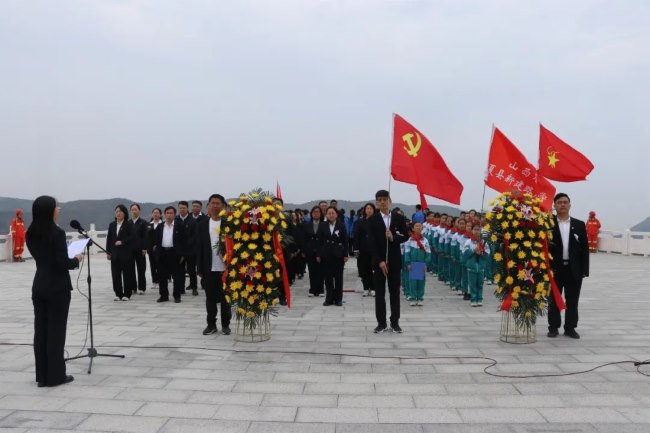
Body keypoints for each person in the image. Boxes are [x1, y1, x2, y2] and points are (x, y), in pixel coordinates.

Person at [26, 195, 82, 387]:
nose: (58, 210)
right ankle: (56, 376)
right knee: (56, 332)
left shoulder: (30, 233)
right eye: (57, 207)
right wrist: (76, 260)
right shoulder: (56, 233)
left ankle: (42, 375)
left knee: (41, 332)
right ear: (49, 210)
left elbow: (45, 258)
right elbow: (61, 263)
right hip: (57, 288)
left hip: (39, 285)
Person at [548, 193, 589, 339]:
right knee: (554, 300)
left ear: (570, 205)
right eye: (559, 202)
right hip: (555, 269)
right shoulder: (548, 223)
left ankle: (570, 328)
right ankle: (553, 327)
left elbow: (584, 249)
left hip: (574, 270)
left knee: (572, 300)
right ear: (554, 206)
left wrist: (584, 270)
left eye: (565, 202)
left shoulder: (579, 224)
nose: (562, 205)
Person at [366, 190, 408, 333]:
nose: (382, 202)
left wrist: (393, 238)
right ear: (377, 202)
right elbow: (371, 243)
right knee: (380, 294)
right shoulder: (372, 220)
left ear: (390, 201)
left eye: (385, 199)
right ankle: (381, 323)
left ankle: (395, 322)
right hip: (379, 263)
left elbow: (405, 236)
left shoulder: (399, 218)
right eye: (379, 199)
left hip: (395, 261)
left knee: (394, 293)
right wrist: (380, 261)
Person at [196, 194, 231, 335]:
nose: (215, 205)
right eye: (212, 203)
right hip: (209, 268)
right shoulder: (202, 224)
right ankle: (211, 324)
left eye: (218, 203)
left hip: (225, 268)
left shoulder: (229, 223)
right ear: (209, 205)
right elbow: (199, 248)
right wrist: (199, 268)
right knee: (209, 299)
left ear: (223, 205)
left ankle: (225, 325)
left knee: (226, 299)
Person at [318, 206, 349, 306]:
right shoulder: (322, 225)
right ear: (326, 215)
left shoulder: (341, 225)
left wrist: (346, 254)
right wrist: (318, 254)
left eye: (333, 213)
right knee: (328, 278)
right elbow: (320, 241)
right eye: (329, 213)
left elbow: (345, 241)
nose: (331, 215)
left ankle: (338, 299)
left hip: (338, 255)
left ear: (336, 214)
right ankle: (329, 299)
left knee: (338, 278)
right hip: (326, 255)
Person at [156, 206, 187, 303]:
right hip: (162, 253)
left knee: (177, 276)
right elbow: (156, 240)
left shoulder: (179, 226)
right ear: (164, 214)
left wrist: (183, 254)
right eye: (167, 213)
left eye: (171, 213)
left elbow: (184, 242)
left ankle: (177, 296)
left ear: (174, 214)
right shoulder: (160, 226)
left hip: (175, 253)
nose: (169, 215)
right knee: (162, 276)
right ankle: (164, 295)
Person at [106, 204, 136, 301]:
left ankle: (127, 294)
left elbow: (132, 238)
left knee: (127, 275)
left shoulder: (128, 224)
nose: (118, 213)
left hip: (126, 254)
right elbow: (109, 239)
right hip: (114, 254)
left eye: (120, 211)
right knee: (115, 275)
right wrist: (108, 252)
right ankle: (118, 294)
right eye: (116, 211)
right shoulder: (112, 225)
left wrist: (122, 242)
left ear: (124, 213)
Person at [462, 224, 490, 307]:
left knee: (480, 283)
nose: (476, 231)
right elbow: (465, 253)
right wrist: (474, 250)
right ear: (472, 230)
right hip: (471, 266)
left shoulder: (483, 242)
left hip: (481, 266)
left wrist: (481, 253)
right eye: (475, 229)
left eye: (478, 230)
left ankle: (479, 299)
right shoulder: (468, 241)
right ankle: (473, 299)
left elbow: (488, 253)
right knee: (472, 284)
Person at [403, 222, 431, 306]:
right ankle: (412, 297)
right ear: (413, 228)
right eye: (416, 226)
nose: (418, 227)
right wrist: (408, 263)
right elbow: (407, 252)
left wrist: (426, 263)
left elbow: (428, 253)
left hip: (421, 263)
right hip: (413, 263)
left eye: (420, 226)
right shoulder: (409, 240)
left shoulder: (425, 240)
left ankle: (419, 298)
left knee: (421, 282)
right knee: (413, 282)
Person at [301, 206, 326, 297]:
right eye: (314, 212)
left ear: (321, 213)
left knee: (321, 271)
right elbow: (303, 239)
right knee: (312, 271)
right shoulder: (306, 224)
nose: (316, 213)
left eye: (318, 212)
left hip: (321, 250)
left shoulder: (324, 224)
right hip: (310, 251)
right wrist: (303, 250)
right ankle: (312, 289)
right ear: (311, 213)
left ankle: (321, 289)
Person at [177, 201, 199, 296]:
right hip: (179, 251)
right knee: (180, 270)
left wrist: (187, 245)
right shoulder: (176, 220)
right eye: (180, 208)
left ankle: (194, 287)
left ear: (187, 209)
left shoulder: (192, 221)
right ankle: (181, 288)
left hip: (190, 250)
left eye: (183, 208)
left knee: (191, 270)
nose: (182, 209)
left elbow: (195, 236)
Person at [354, 203, 376, 297]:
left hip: (374, 250)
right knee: (363, 269)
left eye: (371, 208)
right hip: (363, 249)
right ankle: (366, 288)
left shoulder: (377, 221)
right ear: (364, 210)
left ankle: (374, 288)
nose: (369, 210)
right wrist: (356, 249)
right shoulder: (360, 222)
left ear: (374, 210)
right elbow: (356, 236)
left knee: (374, 270)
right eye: (367, 208)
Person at [129, 203, 148, 295]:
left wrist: (145, 248)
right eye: (132, 209)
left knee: (141, 269)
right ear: (130, 211)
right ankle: (133, 287)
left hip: (140, 250)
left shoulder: (143, 222)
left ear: (139, 211)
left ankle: (142, 288)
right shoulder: (127, 223)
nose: (134, 211)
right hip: (130, 250)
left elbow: (146, 236)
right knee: (130, 269)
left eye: (135, 209)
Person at [146, 208, 163, 290]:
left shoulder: (163, 224)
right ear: (152, 214)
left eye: (157, 213)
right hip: (150, 249)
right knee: (152, 266)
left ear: (160, 214)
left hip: (160, 249)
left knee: (160, 265)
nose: (155, 214)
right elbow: (146, 238)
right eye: (154, 213)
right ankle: (154, 281)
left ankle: (160, 281)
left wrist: (157, 245)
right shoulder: (149, 225)